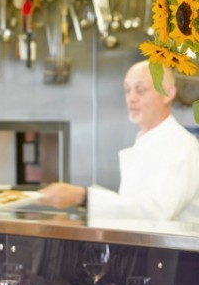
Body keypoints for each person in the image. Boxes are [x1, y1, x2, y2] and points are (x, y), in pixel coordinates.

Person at [39, 60, 199, 222]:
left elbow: (155, 213)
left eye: (141, 90)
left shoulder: (181, 146)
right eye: (127, 90)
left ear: (168, 93)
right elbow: (133, 209)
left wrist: (83, 197)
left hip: (175, 247)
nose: (131, 98)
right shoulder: (147, 141)